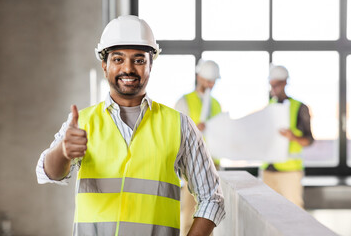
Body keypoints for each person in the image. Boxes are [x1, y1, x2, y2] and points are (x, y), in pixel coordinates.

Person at [36, 15, 225, 236]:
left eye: (139, 60)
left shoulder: (179, 125)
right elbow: (48, 172)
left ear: (151, 65)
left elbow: (212, 198)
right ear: (104, 66)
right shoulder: (82, 122)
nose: (128, 68)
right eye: (118, 59)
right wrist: (64, 152)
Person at [174, 59, 221, 236]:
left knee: (212, 215)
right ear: (198, 77)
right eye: (207, 80)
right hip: (193, 166)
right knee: (191, 214)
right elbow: (177, 135)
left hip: (214, 164)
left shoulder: (215, 104)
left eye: (213, 81)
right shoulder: (184, 102)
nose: (210, 84)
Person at [261, 64, 314, 209]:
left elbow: (309, 140)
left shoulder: (299, 107)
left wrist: (293, 137)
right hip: (268, 170)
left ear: (285, 82)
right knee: (269, 214)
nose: (274, 89)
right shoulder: (268, 107)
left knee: (294, 213)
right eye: (271, 85)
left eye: (276, 85)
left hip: (290, 173)